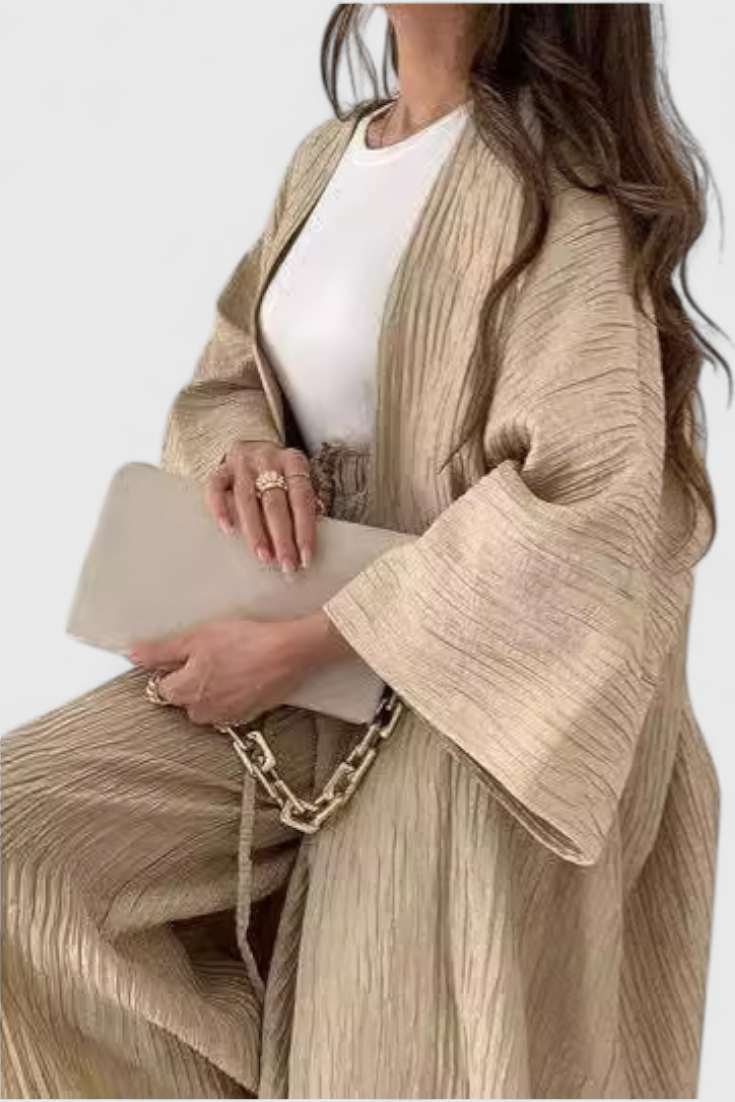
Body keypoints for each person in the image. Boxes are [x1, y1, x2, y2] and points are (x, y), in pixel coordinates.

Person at [1, 4, 726, 1098]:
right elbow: (231, 371)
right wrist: (247, 452)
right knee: (22, 850)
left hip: (456, 701)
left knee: (391, 1042)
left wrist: (310, 643)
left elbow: (594, 508)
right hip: (290, 658)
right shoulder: (327, 162)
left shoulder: (563, 199)